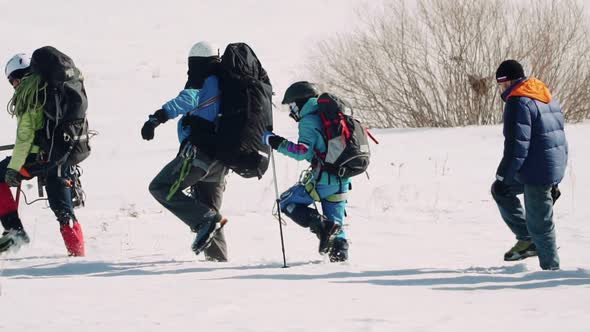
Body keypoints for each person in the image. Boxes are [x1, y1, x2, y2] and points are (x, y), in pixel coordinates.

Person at [142, 41, 229, 262]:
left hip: (198, 155)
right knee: (209, 213)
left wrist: (155, 119)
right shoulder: (225, 84)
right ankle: (217, 262)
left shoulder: (202, 83)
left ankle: (206, 220)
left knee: (160, 187)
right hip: (221, 159)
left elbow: (185, 100)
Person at [0, 52, 85, 256]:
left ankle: (15, 232)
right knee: (64, 211)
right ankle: (78, 257)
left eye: (12, 81)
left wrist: (13, 169)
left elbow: (25, 138)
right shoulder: (55, 89)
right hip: (64, 154)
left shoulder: (30, 93)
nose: (14, 85)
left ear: (18, 77)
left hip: (39, 159)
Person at [491, 59, 567, 270]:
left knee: (540, 225)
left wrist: (503, 176)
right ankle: (527, 239)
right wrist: (556, 178)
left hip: (537, 171)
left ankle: (551, 273)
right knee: (502, 191)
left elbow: (516, 147)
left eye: (501, 84)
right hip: (549, 166)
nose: (501, 89)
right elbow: (559, 138)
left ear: (508, 82)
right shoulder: (544, 95)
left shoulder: (518, 101)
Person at [262, 81, 351, 262]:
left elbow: (303, 152)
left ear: (299, 102)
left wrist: (275, 142)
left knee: (286, 202)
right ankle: (340, 259)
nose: (290, 112)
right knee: (337, 224)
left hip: (324, 179)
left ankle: (323, 226)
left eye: (291, 106)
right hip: (342, 179)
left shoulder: (308, 120)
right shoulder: (328, 115)